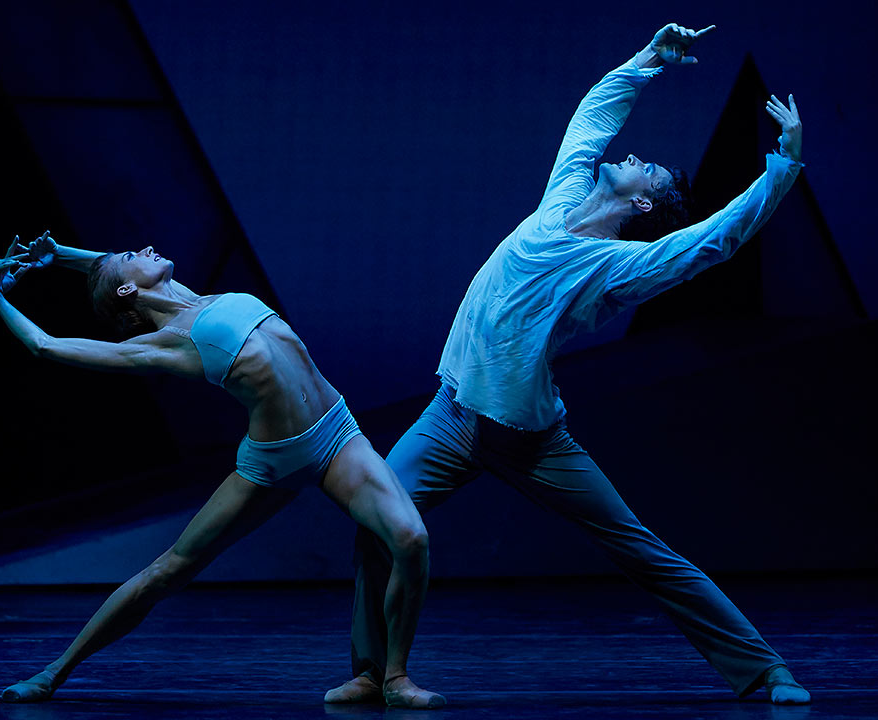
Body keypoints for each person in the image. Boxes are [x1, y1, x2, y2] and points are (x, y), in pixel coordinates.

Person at [325, 22, 811, 706]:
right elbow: (592, 116)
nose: (635, 156)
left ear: (642, 202)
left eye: (648, 167)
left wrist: (782, 169)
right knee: (375, 518)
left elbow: (711, 243)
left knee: (641, 549)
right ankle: (372, 671)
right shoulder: (562, 198)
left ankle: (765, 671)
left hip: (526, 438)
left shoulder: (614, 268)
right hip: (451, 412)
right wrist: (651, 59)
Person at [0, 233, 445, 708]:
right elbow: (46, 345)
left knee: (411, 539)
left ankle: (394, 679)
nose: (144, 247)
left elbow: (111, 275)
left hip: (337, 436)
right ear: (127, 291)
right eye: (130, 256)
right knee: (171, 569)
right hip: (273, 460)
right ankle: (51, 673)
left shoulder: (190, 297)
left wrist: (59, 256)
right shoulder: (166, 342)